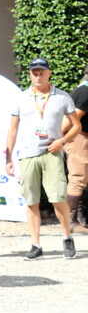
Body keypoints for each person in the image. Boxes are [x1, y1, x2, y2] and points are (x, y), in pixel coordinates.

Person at [5, 57, 81, 259]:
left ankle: (66, 237)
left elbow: (77, 126)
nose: (38, 76)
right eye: (34, 73)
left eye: (41, 72)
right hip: (28, 155)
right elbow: (12, 130)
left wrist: (62, 142)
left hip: (52, 153)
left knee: (58, 198)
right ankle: (35, 244)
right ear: (30, 74)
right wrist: (8, 158)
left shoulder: (63, 97)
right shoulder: (21, 98)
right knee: (31, 201)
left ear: (49, 73)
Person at [64, 64, 88, 234]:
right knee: (78, 178)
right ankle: (70, 221)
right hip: (79, 138)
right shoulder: (85, 92)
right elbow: (71, 120)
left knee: (82, 178)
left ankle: (78, 219)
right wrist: (59, 139)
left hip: (82, 137)